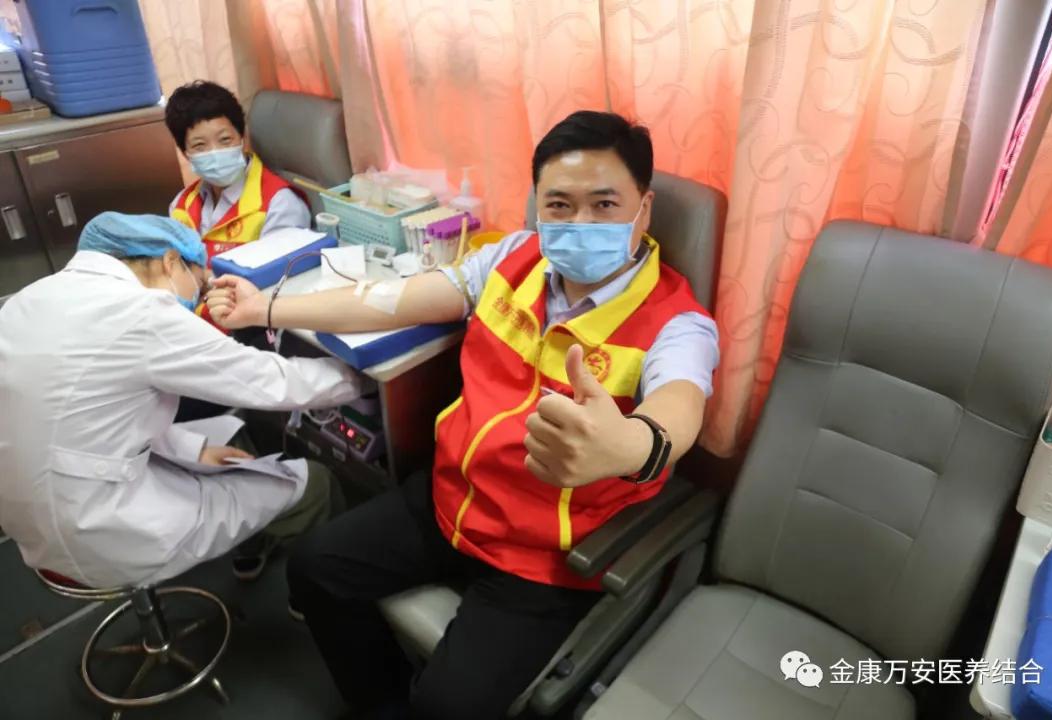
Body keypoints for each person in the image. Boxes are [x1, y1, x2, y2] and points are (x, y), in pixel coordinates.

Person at [207, 111, 721, 719]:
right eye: (559, 205)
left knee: (448, 705)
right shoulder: (513, 258)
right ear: (537, 206)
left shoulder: (677, 323)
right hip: (453, 497)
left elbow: (678, 407)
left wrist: (634, 447)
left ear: (644, 208)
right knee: (316, 569)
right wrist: (267, 306)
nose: (580, 224)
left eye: (604, 205)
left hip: (544, 555)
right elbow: (391, 300)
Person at [0, 213, 360, 591]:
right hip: (101, 531)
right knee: (314, 483)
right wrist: (359, 377)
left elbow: (89, 418)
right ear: (172, 261)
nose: (198, 299)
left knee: (229, 435)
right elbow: (270, 382)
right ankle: (315, 598)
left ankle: (253, 542)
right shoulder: (142, 313)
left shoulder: (27, 300)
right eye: (201, 285)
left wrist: (194, 450)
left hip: (32, 518)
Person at [165, 80, 310, 265]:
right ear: (186, 153)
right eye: (200, 145)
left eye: (225, 140)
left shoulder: (279, 204)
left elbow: (278, 272)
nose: (215, 153)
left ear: (243, 138)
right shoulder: (180, 206)